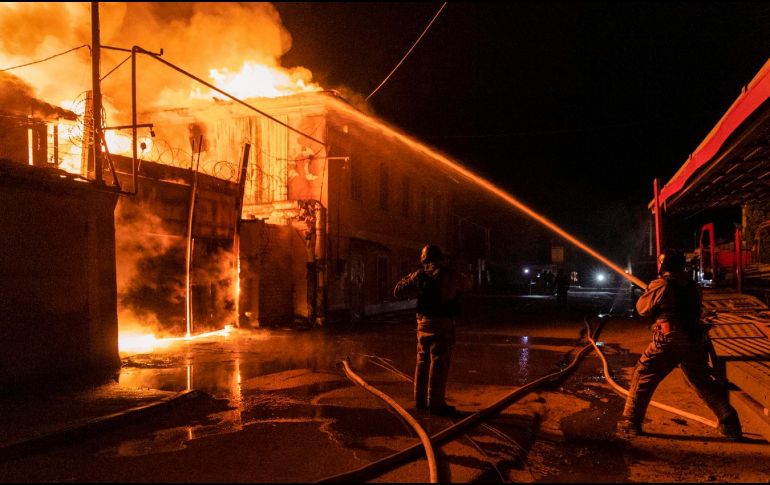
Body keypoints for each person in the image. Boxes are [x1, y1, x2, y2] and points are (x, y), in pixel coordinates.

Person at [619, 249, 742, 439]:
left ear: (664, 265)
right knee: (700, 380)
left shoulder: (661, 285)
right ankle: (729, 421)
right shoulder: (693, 286)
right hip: (694, 339)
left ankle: (631, 422)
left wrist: (650, 292)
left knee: (643, 373)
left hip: (670, 340)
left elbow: (642, 309)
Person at [394, 245, 462, 416]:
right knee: (439, 362)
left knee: (422, 361)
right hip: (442, 323)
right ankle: (436, 402)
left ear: (423, 259)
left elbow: (398, 291)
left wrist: (411, 277)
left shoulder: (420, 275)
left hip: (423, 323)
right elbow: (457, 295)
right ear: (440, 258)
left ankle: (420, 400)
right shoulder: (448, 274)